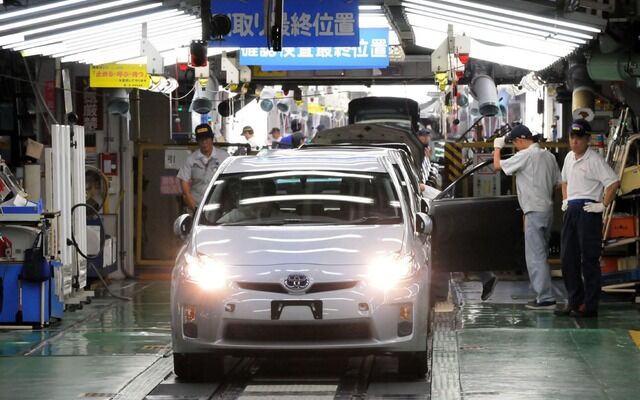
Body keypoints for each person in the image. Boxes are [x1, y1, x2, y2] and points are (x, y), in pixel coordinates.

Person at [555, 119, 619, 318]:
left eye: (579, 138)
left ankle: (590, 305)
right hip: (571, 209)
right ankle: (574, 300)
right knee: (568, 258)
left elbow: (613, 183)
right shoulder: (569, 158)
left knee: (589, 259)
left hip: (589, 210)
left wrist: (603, 205)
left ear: (588, 139)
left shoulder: (594, 160)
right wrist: (565, 199)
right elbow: (564, 181)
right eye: (572, 137)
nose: (574, 142)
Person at [493, 124, 561, 309]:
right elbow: (558, 183)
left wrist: (497, 147)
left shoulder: (525, 155)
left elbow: (497, 166)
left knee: (535, 256)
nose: (515, 147)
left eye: (515, 144)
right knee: (542, 253)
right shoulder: (549, 156)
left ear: (520, 140)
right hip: (547, 209)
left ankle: (545, 297)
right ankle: (543, 295)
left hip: (533, 209)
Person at [177, 124, 229, 211]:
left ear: (212, 139)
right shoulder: (191, 159)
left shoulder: (224, 157)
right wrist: (194, 208)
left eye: (207, 139)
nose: (204, 142)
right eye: (201, 140)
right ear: (197, 141)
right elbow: (184, 183)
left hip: (219, 206)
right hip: (197, 205)